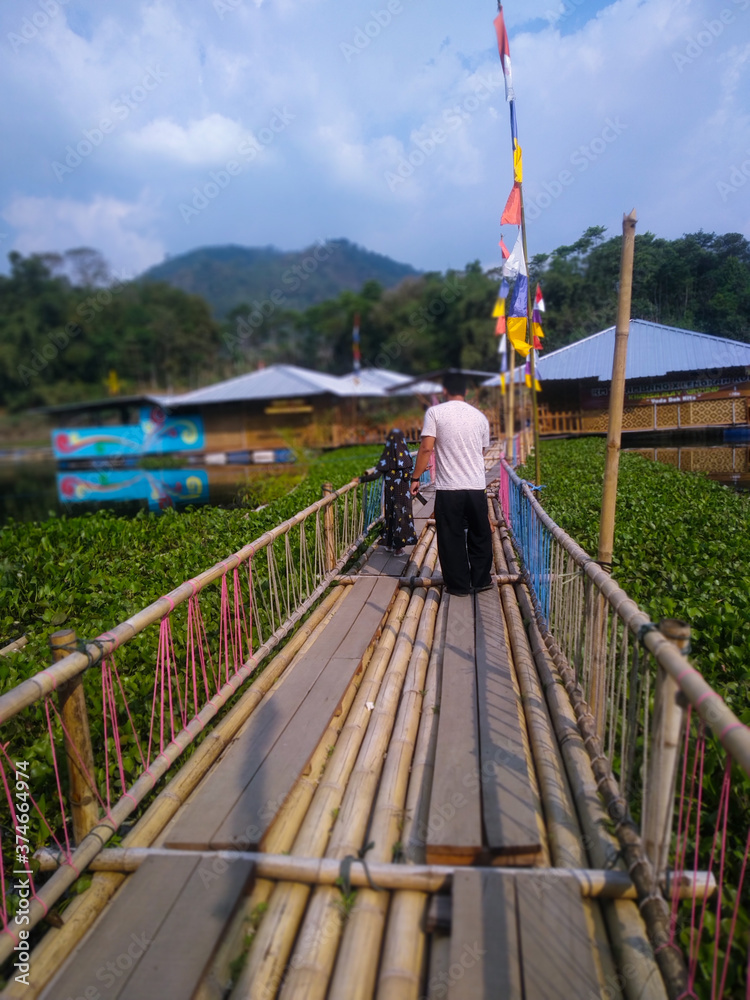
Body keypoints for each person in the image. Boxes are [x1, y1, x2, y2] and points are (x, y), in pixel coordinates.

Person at [409, 373, 493, 595]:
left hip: (449, 488)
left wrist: (415, 477)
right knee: (480, 532)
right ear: (465, 391)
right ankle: (482, 579)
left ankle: (458, 585)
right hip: (476, 485)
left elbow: (427, 448)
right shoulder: (480, 417)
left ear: (444, 391)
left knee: (451, 535)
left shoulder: (435, 413)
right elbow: (481, 451)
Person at [361, 428, 418, 554]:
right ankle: (399, 548)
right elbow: (408, 476)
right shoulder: (406, 459)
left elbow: (375, 475)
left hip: (390, 496)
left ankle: (389, 544)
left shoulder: (386, 458)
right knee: (402, 517)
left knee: (390, 516)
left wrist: (360, 479)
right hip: (403, 497)